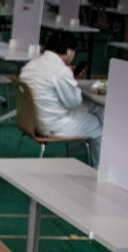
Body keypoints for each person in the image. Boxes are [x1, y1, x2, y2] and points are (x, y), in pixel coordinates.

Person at [20, 32, 104, 165]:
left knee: (94, 107)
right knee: (99, 126)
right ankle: (97, 170)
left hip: (32, 120)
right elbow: (74, 102)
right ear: (69, 52)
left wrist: (69, 78)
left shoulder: (31, 65)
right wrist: (69, 78)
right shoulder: (60, 71)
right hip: (52, 126)